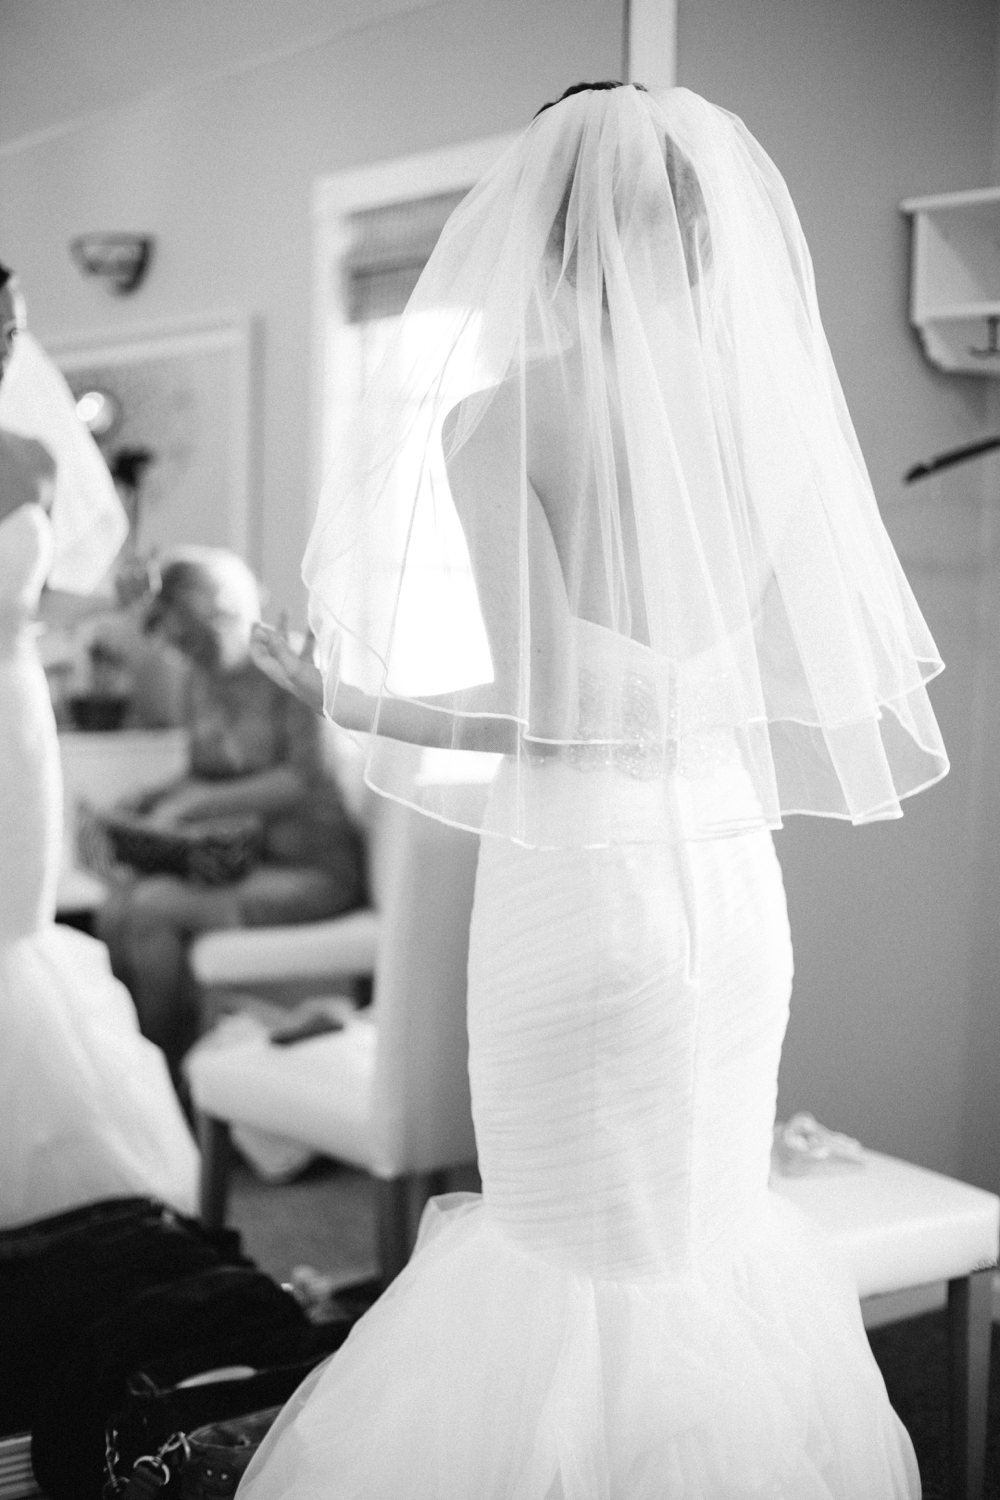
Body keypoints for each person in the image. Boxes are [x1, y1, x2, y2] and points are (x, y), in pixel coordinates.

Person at [239, 84, 947, 1498]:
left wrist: (358, 699)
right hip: (731, 885)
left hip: (585, 889)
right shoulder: (756, 423)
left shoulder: (507, 414)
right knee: (700, 1236)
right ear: (701, 240)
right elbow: (706, 684)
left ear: (546, 235)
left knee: (572, 1254)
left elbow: (560, 712)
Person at [0, 262, 199, 1227]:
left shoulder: (32, 456)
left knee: (17, 929)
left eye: (15, 327)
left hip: (13, 714)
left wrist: (105, 599)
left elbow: (32, 603)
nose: (9, 344)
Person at [97, 546, 367, 1074]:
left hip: (310, 872)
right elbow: (206, 771)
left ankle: (166, 1075)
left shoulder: (289, 667)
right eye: (179, 646)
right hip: (241, 862)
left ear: (224, 611)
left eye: (193, 639)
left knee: (152, 908)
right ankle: (135, 1067)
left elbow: (302, 778)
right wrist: (152, 796)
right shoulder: (199, 679)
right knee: (114, 907)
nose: (189, 655)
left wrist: (198, 803)